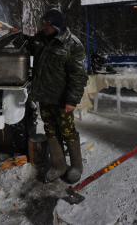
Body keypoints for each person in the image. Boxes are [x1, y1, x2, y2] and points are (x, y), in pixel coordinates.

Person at [29, 9, 88, 183]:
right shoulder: (41, 38)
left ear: (57, 26)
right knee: (51, 130)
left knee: (67, 131)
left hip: (62, 99)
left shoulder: (72, 45)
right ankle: (59, 165)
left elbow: (79, 76)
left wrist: (72, 100)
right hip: (44, 96)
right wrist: (17, 35)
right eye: (44, 23)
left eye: (48, 24)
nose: (44, 27)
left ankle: (76, 166)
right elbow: (29, 44)